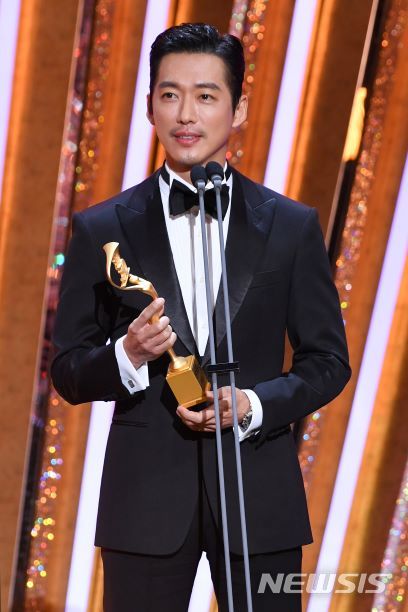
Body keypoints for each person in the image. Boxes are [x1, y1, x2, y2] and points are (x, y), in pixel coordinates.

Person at [51, 23, 351, 612]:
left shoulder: (290, 226)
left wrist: (253, 404)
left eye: (206, 96)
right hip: (143, 504)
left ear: (238, 109)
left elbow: (328, 362)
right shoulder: (102, 228)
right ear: (149, 107)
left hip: (258, 499)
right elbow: (68, 370)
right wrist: (127, 355)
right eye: (170, 95)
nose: (186, 114)